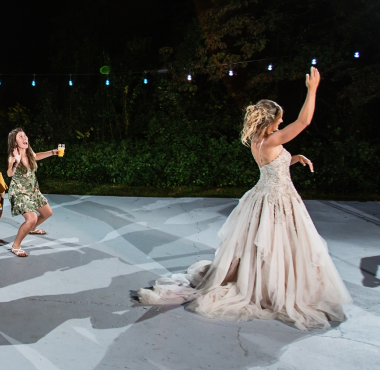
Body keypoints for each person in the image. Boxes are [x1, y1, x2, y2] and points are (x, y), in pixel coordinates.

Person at [137, 67, 352, 331]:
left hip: (264, 195)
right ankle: (272, 291)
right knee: (278, 245)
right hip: (277, 200)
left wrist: (293, 159)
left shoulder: (258, 141)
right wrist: (313, 91)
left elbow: (272, 165)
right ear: (270, 122)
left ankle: (265, 283)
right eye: (280, 120)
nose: (282, 124)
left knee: (267, 247)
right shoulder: (272, 141)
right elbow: (304, 122)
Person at [6, 128, 60, 257]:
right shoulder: (13, 156)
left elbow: (37, 156)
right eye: (20, 137)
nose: (25, 138)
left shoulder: (29, 153)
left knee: (47, 213)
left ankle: (30, 229)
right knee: (32, 218)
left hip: (32, 190)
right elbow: (9, 173)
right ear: (14, 143)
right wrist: (16, 162)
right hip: (19, 192)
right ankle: (16, 246)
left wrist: (53, 152)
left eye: (25, 135)